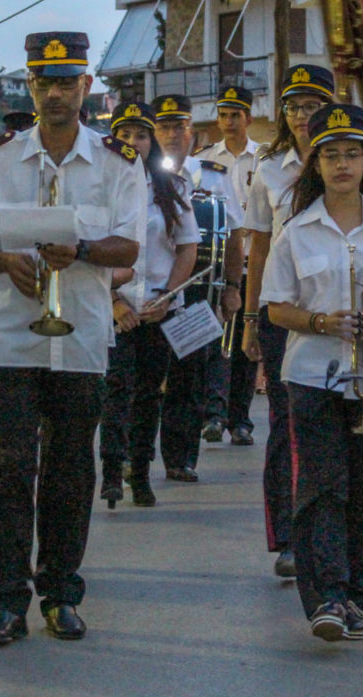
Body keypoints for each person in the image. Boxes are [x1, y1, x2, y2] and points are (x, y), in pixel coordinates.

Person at [0, 31, 145, 647]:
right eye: (44, 81)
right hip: (11, 337)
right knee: (10, 468)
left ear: (87, 87)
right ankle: (5, 602)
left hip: (82, 336)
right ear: (29, 87)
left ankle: (60, 593)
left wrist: (82, 250)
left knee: (69, 470)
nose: (56, 93)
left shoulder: (118, 163)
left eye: (68, 82)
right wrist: (3, 261)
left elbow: (130, 245)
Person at [262, 103, 363, 641]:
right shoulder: (295, 232)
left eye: (352, 154)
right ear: (317, 165)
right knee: (322, 485)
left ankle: (354, 597)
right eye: (331, 155)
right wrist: (321, 321)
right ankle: (325, 596)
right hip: (312, 374)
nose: (342, 164)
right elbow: (274, 308)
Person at [242, 63, 335, 578]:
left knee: (328, 424)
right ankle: (289, 538)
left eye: (313, 106)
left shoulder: (347, 157)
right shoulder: (269, 166)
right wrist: (251, 317)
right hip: (282, 308)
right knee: (286, 421)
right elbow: (258, 243)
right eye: (295, 107)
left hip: (336, 307)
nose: (303, 116)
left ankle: (328, 527)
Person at [100, 101, 198, 507]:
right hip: (115, 309)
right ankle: (110, 472)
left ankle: (140, 473)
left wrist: (168, 296)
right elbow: (88, 251)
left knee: (148, 394)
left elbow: (187, 248)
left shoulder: (170, 186)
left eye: (141, 135)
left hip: (158, 307)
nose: (133, 143)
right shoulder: (99, 186)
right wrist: (112, 301)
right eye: (124, 135)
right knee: (115, 390)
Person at [151, 94, 243, 482]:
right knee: (142, 379)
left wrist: (233, 287)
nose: (173, 134)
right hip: (150, 290)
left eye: (180, 126)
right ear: (155, 132)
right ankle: (129, 457)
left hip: (196, 292)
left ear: (193, 132)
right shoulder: (137, 173)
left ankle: (180, 457)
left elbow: (234, 235)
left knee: (189, 379)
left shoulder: (216, 175)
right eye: (165, 127)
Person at [195, 85, 262, 446]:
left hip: (254, 259)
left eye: (235, 115)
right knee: (218, 340)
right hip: (217, 262)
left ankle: (241, 418)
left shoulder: (263, 159)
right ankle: (215, 414)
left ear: (248, 117)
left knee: (246, 341)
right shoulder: (205, 158)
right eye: (223, 115)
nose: (229, 122)